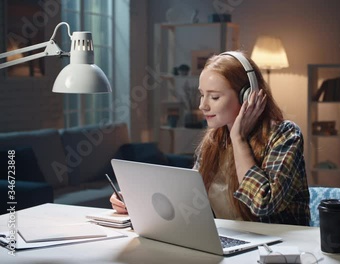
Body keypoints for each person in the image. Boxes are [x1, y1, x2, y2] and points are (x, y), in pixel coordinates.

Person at [111, 51, 310, 226]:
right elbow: (189, 200)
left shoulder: (285, 136)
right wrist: (136, 202)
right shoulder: (215, 139)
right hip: (231, 243)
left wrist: (238, 139)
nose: (202, 106)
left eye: (214, 97)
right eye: (202, 95)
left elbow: (262, 203)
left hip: (276, 249)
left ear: (247, 96)